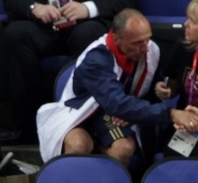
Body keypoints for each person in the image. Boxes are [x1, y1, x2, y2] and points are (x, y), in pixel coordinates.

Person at [2, 0, 135, 144]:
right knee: (15, 34)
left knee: (89, 35)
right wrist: (34, 7)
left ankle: (86, 124)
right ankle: (27, 127)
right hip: (43, 25)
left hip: (83, 24)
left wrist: (88, 8)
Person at [38, 9, 198, 165]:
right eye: (137, 43)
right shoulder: (96, 59)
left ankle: (108, 180)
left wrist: (158, 91)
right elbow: (116, 102)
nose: (145, 48)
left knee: (122, 148)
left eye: (147, 39)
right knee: (79, 145)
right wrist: (171, 114)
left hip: (115, 116)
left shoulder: (152, 52)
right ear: (116, 39)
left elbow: (149, 98)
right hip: (80, 113)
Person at [155, 0, 198, 157]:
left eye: (193, 21)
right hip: (185, 122)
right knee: (171, 158)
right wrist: (167, 90)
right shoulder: (183, 48)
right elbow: (173, 81)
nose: (185, 24)